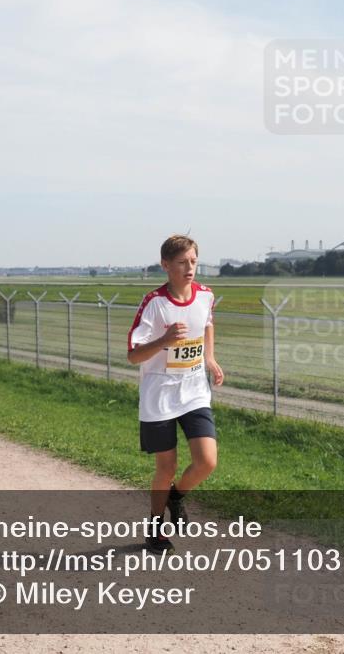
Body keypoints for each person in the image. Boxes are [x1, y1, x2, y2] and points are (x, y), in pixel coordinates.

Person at [127, 235, 223, 553]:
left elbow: (207, 323)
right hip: (159, 394)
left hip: (194, 390)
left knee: (207, 461)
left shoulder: (205, 295)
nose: (190, 268)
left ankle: (176, 496)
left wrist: (209, 358)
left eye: (194, 261)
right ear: (166, 265)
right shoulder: (155, 303)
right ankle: (155, 528)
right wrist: (164, 341)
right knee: (165, 468)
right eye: (182, 262)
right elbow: (133, 355)